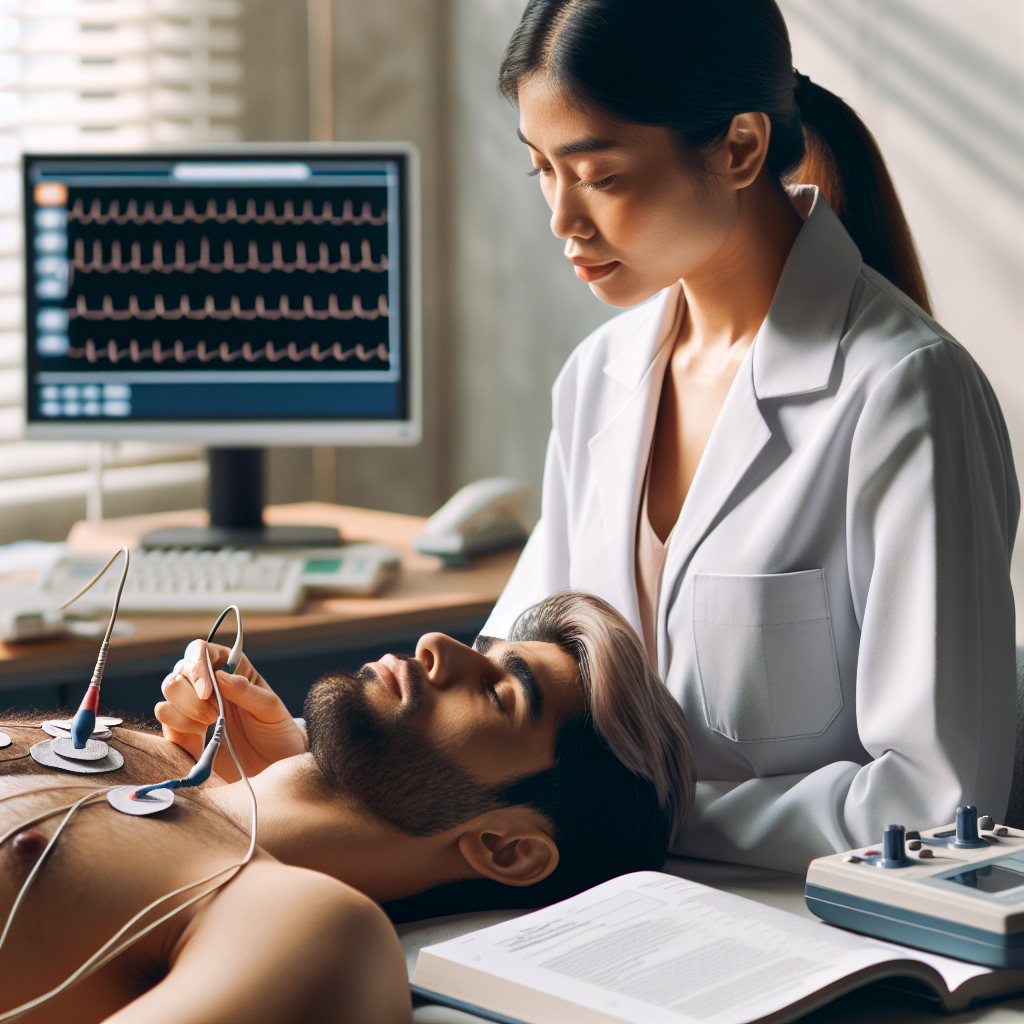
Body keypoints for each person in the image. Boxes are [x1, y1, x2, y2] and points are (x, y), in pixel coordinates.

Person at [482, 0, 1020, 874]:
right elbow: (514, 672)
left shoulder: (903, 393)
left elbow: (939, 801)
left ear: (738, 148)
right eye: (541, 170)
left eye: (601, 176)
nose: (563, 221)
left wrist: (643, 822)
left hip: (800, 922)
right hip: (610, 904)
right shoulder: (598, 375)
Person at [0, 592, 693, 1023]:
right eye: (480, 651)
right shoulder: (173, 759)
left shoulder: (310, 932)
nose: (437, 647)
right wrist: (246, 775)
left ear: (506, 847)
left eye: (498, 692)